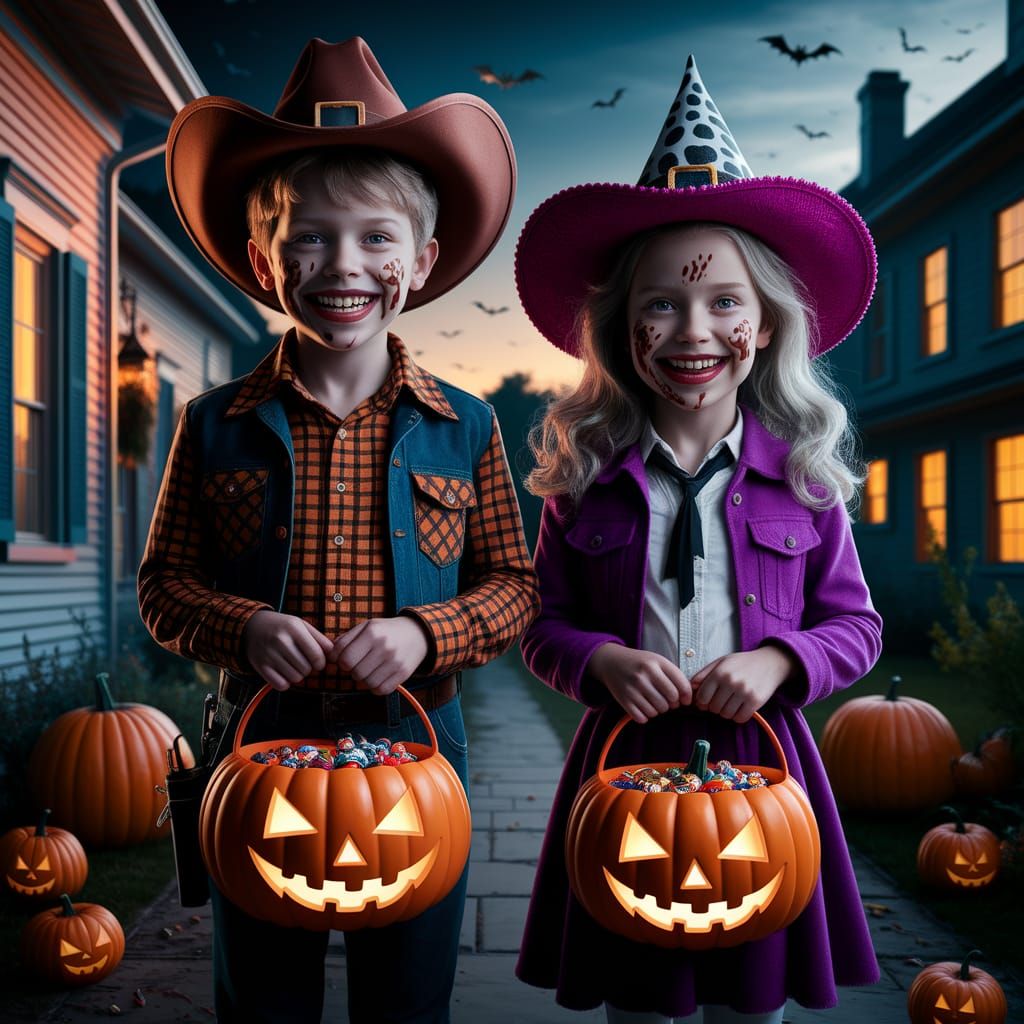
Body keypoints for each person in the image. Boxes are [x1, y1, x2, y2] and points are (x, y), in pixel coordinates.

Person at [138, 37, 538, 1024]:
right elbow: (163, 584)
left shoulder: (468, 425)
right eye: (308, 239)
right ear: (263, 259)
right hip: (258, 747)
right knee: (262, 992)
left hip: (415, 746)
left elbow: (515, 586)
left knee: (405, 991)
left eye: (373, 239)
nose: (341, 265)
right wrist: (239, 625)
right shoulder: (212, 422)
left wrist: (423, 633)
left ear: (422, 261)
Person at [512, 55, 883, 1023]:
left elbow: (854, 624)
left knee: (748, 989)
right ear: (621, 330)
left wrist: (779, 661)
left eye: (724, 301)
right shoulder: (585, 477)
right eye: (661, 305)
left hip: (763, 764)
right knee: (639, 982)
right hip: (623, 761)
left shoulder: (803, 477)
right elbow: (539, 622)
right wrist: (596, 661)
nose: (693, 329)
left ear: (763, 326)